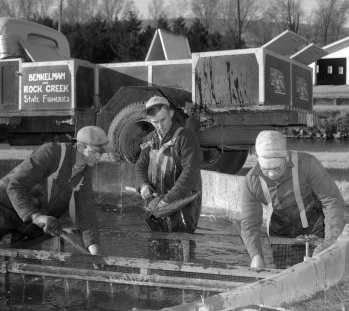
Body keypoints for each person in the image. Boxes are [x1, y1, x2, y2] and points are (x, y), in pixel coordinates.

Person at [0, 126, 114, 255]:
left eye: (102, 153)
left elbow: (87, 213)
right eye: (95, 152)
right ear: (81, 147)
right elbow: (15, 186)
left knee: (28, 269)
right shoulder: (51, 152)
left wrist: (94, 252)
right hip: (5, 206)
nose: (99, 157)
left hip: (33, 223)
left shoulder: (84, 172)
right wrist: (36, 216)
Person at [240, 130, 344, 268]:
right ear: (258, 160)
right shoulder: (251, 181)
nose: (271, 174)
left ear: (286, 157)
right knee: (287, 277)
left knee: (320, 271)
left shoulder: (308, 165)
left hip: (317, 229)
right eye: (265, 169)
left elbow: (332, 201)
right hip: (281, 234)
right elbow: (249, 223)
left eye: (277, 168)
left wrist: (329, 244)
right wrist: (256, 255)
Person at [135, 95, 202, 233]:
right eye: (155, 122)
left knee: (181, 246)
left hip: (183, 205)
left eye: (163, 120)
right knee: (156, 247)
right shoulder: (150, 139)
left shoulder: (185, 138)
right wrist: (143, 185)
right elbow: (140, 166)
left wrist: (168, 200)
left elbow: (189, 173)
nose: (160, 126)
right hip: (157, 204)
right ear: (149, 120)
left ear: (171, 113)